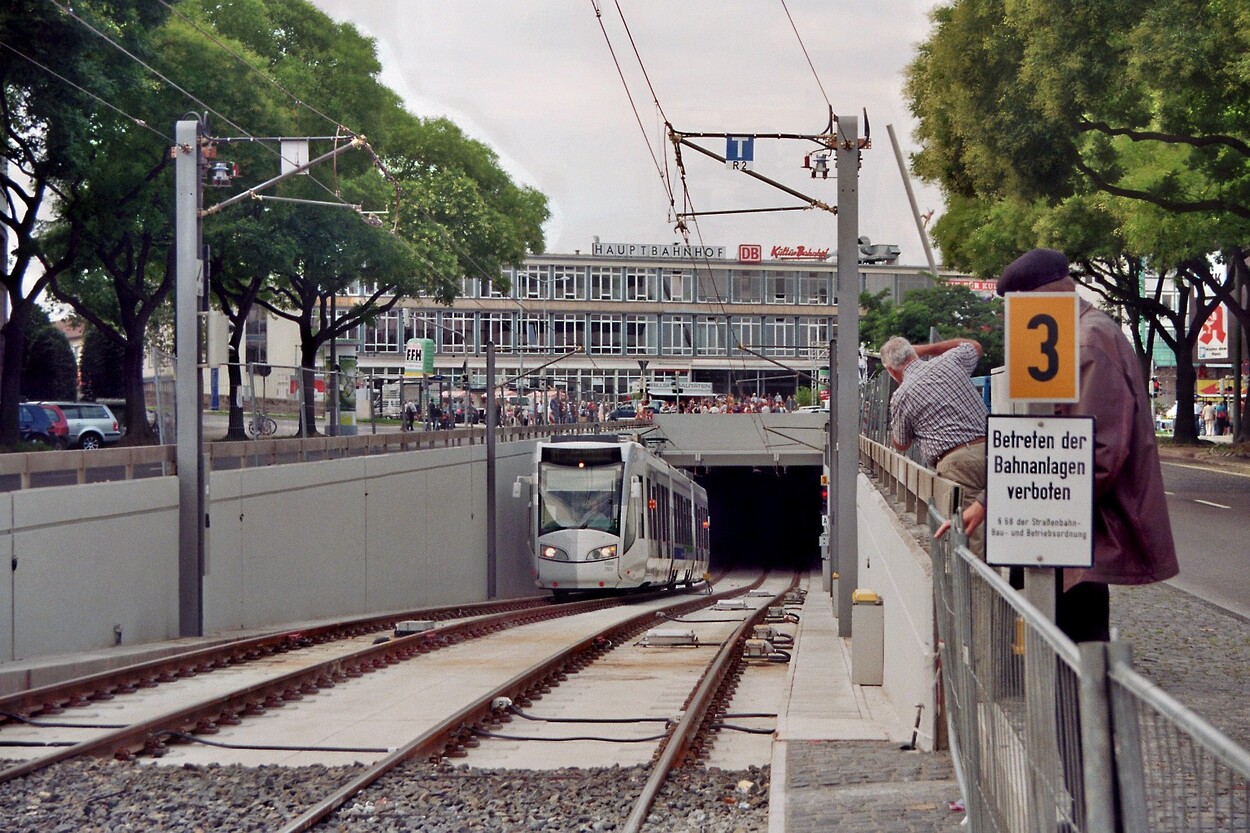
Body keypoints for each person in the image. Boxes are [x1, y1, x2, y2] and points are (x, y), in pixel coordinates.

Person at [977, 248, 1179, 644]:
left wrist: (1037, 511)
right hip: (1072, 530)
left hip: (1075, 531)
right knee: (1071, 644)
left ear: (1036, 299)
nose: (1008, 318)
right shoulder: (1080, 336)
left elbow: (1094, 454)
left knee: (1074, 649)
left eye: (1012, 306)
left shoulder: (1086, 343)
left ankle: (1075, 705)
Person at [883, 335, 989, 550]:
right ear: (915, 353)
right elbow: (974, 346)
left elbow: (901, 444)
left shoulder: (902, 395)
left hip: (957, 464)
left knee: (972, 537)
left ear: (891, 370)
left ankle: (980, 584)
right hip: (994, 449)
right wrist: (927, 349)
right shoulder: (950, 361)